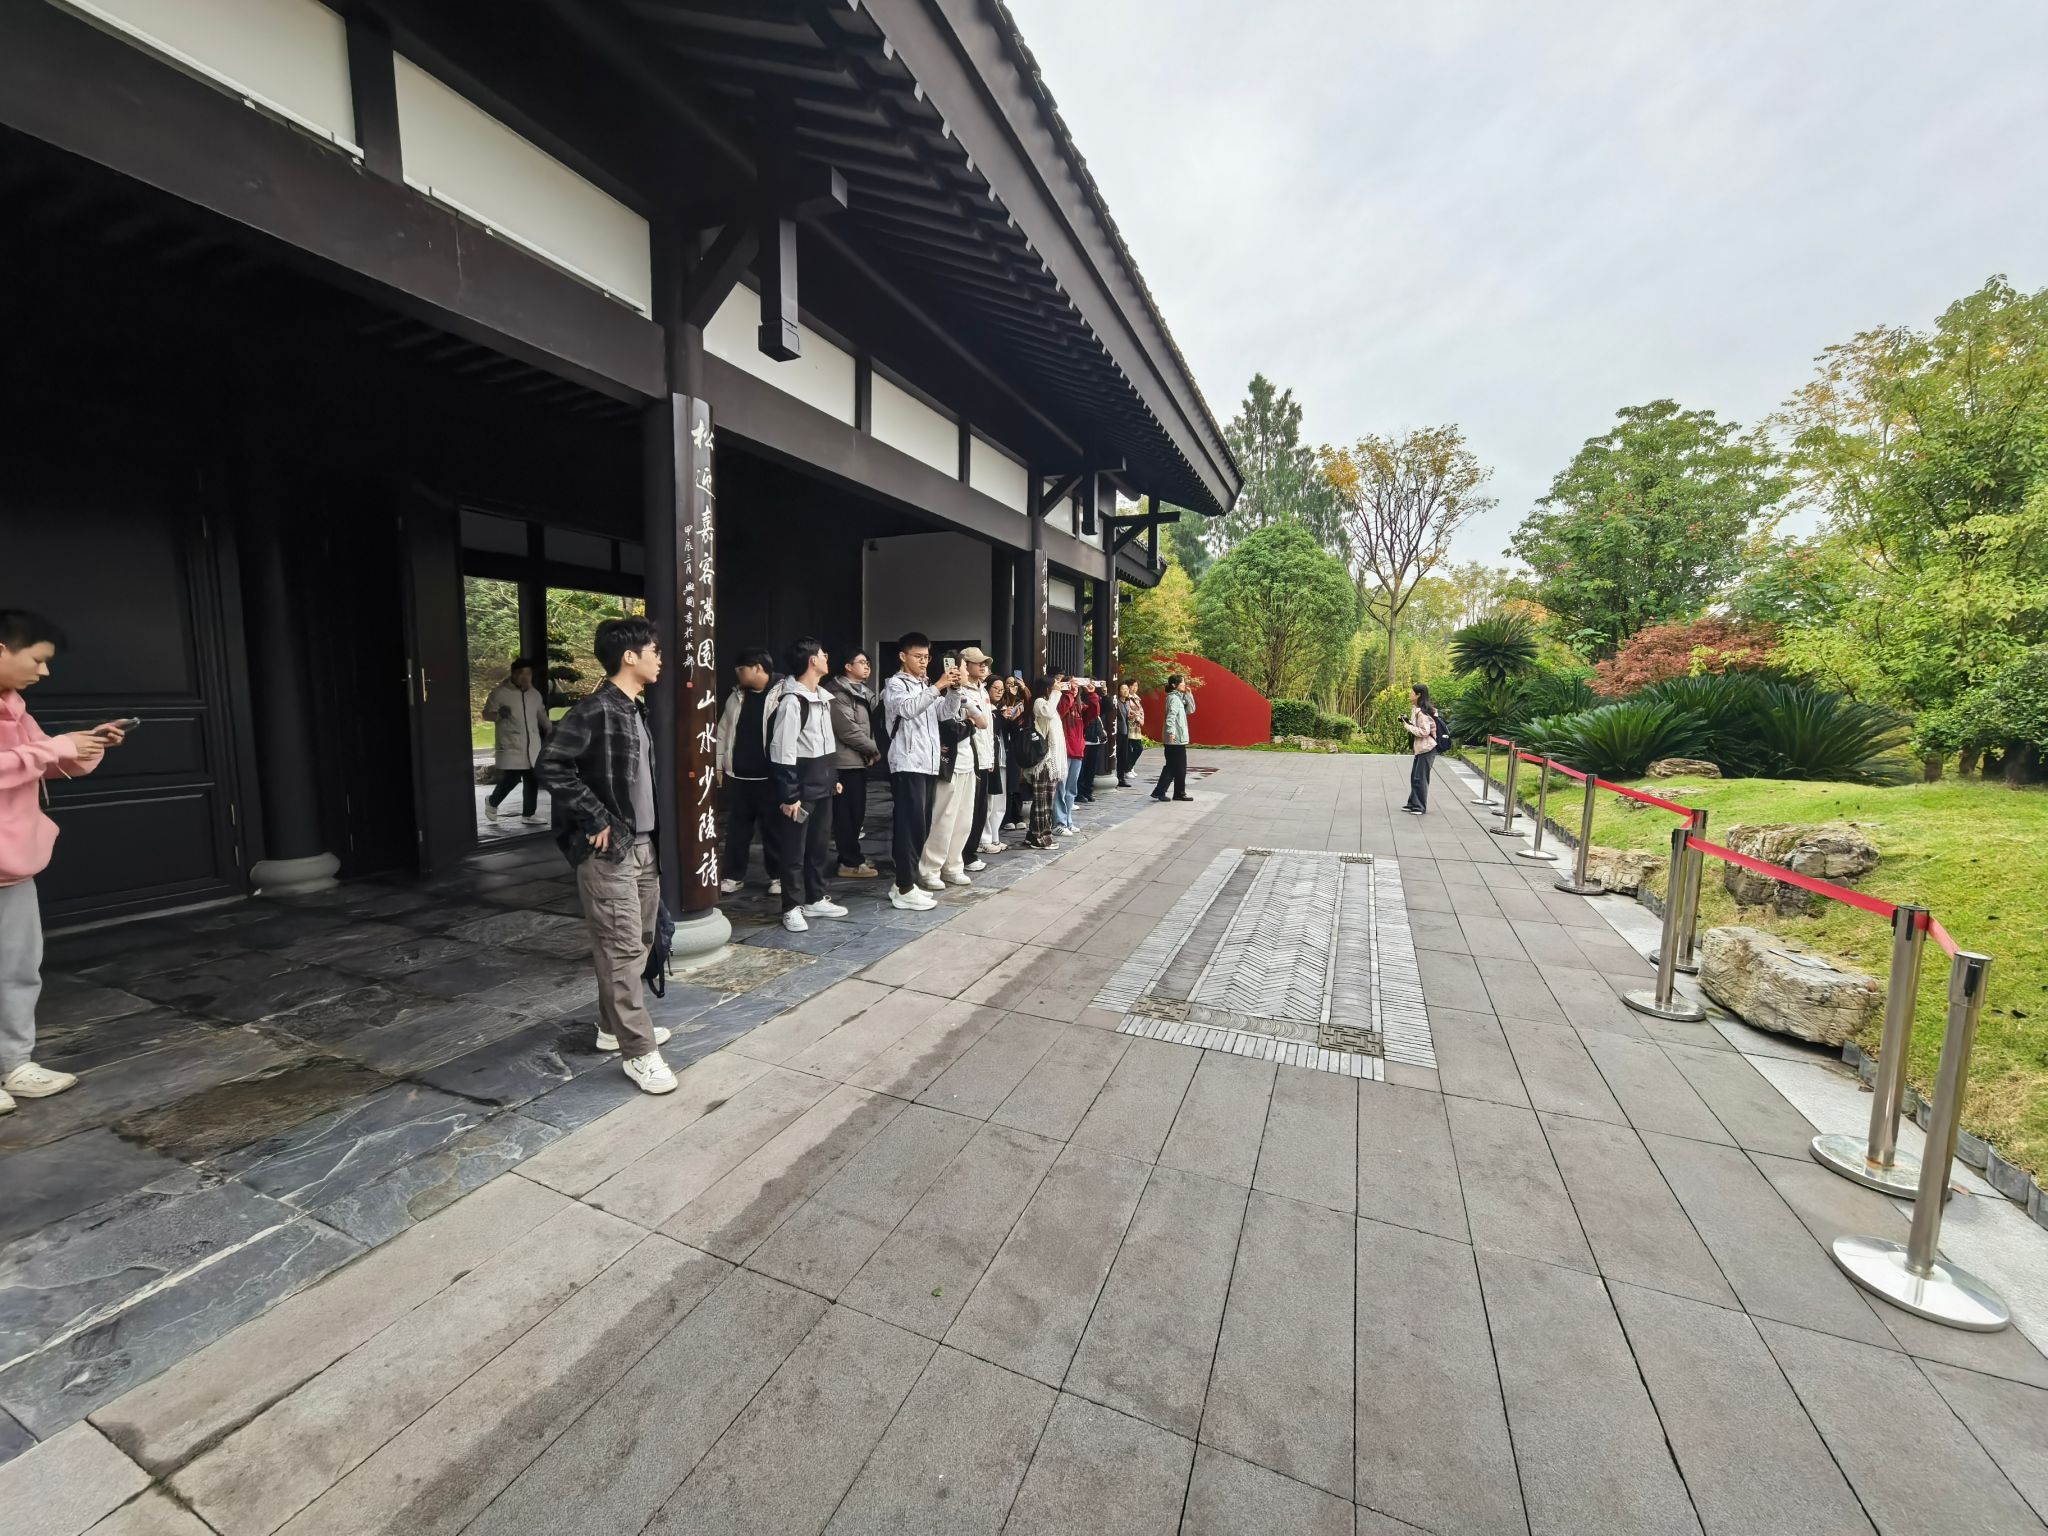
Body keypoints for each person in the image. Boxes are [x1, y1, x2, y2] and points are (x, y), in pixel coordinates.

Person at [536, 616, 676, 1094]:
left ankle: (610, 1027)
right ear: (630, 656)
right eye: (654, 650)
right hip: (610, 852)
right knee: (621, 948)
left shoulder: (637, 709)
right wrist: (594, 817)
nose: (660, 658)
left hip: (644, 846)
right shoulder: (595, 709)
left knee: (639, 941)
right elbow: (551, 764)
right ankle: (639, 1052)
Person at [0, 611, 127, 1115]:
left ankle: (13, 1063)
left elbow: (38, 760)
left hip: (13, 864)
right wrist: (54, 747)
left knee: (18, 969)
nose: (44, 672)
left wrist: (85, 746)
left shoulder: (15, 707)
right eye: (37, 660)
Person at [767, 638, 848, 931]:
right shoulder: (793, 701)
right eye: (823, 654)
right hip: (800, 790)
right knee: (794, 852)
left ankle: (815, 898)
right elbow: (783, 751)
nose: (827, 657)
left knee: (818, 847)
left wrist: (832, 779)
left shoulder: (822, 698)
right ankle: (791, 907)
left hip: (822, 784)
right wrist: (790, 795)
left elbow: (825, 745)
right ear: (813, 660)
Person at [882, 632, 964, 910]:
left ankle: (903, 883)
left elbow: (945, 713)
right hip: (907, 764)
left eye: (927, 657)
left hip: (927, 764)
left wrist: (953, 690)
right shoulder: (895, 684)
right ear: (902, 656)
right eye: (918, 656)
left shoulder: (925, 684)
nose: (923, 661)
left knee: (921, 825)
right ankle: (905, 887)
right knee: (909, 826)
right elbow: (907, 709)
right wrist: (938, 685)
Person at [917, 647, 989, 889]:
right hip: (948, 764)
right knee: (943, 818)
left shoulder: (964, 696)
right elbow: (951, 729)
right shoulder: (936, 696)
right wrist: (969, 724)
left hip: (968, 763)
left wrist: (969, 719)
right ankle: (930, 869)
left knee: (963, 819)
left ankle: (953, 865)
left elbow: (983, 722)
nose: (965, 672)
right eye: (962, 667)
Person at [714, 648, 783, 897]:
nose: (738, 674)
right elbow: (723, 732)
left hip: (770, 777)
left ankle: (778, 877)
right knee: (737, 831)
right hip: (739, 776)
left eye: (741, 669)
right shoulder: (736, 696)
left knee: (773, 830)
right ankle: (733, 876)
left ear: (758, 668)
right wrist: (718, 765)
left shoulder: (783, 693)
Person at [822, 648, 881, 878]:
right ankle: (849, 862)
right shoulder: (837, 692)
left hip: (858, 760)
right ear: (848, 666)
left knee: (857, 813)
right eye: (862, 662)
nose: (867, 666)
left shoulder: (864, 692)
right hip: (843, 762)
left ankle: (852, 855)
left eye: (868, 663)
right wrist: (874, 749)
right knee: (846, 815)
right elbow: (847, 730)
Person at [480, 656, 550, 824]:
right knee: (512, 778)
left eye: (528, 673)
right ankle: (492, 801)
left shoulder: (534, 694)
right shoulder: (500, 693)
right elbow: (486, 714)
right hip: (511, 743)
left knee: (532, 777)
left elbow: (541, 714)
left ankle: (528, 814)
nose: (525, 677)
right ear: (513, 674)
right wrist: (498, 715)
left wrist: (550, 730)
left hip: (532, 744)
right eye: (521, 673)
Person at [959, 650, 1003, 866]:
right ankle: (965, 854)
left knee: (980, 807)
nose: (983, 666)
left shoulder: (982, 690)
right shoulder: (961, 691)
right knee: (968, 809)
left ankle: (971, 851)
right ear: (965, 665)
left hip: (984, 758)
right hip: (969, 757)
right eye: (978, 663)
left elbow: (989, 728)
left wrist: (990, 758)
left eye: (985, 662)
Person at [1020, 685, 1060, 849]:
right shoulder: (1039, 702)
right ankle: (1040, 837)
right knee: (1042, 802)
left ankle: (1033, 835)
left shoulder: (1048, 703)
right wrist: (1056, 692)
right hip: (1041, 762)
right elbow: (1048, 713)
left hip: (1049, 761)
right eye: (1055, 684)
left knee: (1046, 801)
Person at [1054, 674, 1094, 831]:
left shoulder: (1079, 706)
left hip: (1077, 750)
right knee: (1060, 788)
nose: (1074, 689)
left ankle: (1068, 820)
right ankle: (1059, 822)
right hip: (1064, 751)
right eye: (1071, 685)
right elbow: (1061, 711)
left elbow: (1093, 713)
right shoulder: (1060, 701)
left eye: (1076, 686)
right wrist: (1069, 694)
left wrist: (1092, 695)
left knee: (1071, 789)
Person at [1150, 673, 1197, 802]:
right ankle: (1163, 792)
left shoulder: (1179, 698)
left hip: (1178, 739)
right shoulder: (1174, 699)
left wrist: (1189, 695)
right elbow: (1171, 717)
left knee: (1177, 767)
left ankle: (1177, 793)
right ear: (1174, 685)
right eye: (1182, 682)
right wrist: (1171, 732)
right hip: (1174, 739)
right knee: (1174, 766)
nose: (1184, 684)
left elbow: (1191, 710)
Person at [996, 679, 1031, 831]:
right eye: (1009, 684)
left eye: (1014, 684)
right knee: (1008, 783)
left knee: (1018, 782)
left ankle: (1018, 815)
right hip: (1004, 746)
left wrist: (1024, 689)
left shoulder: (1021, 704)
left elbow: (1030, 706)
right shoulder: (1001, 704)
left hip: (1017, 745)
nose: (1012, 687)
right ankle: (1007, 817)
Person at [1401, 682, 1440, 814]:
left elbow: (1424, 731)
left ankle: (1419, 807)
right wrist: (1408, 722)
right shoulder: (1416, 709)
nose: (1409, 694)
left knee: (1420, 778)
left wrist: (1407, 727)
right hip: (1421, 748)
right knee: (1415, 777)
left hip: (1427, 748)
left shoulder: (1422, 713)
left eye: (1412, 692)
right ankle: (1413, 803)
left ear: (1418, 695)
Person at [1076, 679, 1106, 803]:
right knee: (1081, 769)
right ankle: (1079, 792)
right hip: (1083, 738)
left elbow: (1102, 710)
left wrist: (1103, 694)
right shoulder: (1078, 699)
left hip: (1094, 737)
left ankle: (1088, 791)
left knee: (1091, 768)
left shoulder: (1094, 697)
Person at [1117, 682, 1147, 787]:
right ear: (1118, 691)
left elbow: (1129, 714)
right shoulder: (1117, 702)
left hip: (1128, 730)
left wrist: (1132, 716)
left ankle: (1122, 777)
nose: (1126, 691)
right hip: (1121, 732)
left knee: (1124, 755)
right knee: (1122, 754)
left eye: (1126, 689)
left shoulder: (1127, 702)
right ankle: (1126, 770)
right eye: (1123, 689)